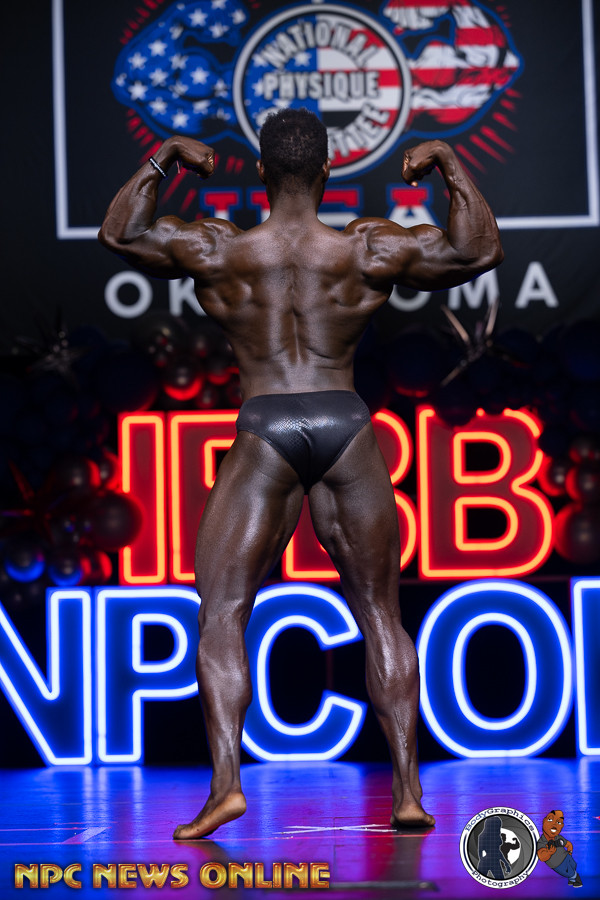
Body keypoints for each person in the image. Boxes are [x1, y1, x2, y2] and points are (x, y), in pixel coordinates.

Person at [99, 108, 503, 839]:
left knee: (223, 610)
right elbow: (478, 251)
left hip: (266, 424)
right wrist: (447, 161)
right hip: (346, 423)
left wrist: (165, 157)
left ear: (260, 171)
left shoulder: (221, 248)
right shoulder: (367, 248)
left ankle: (227, 786)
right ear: (327, 171)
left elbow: (121, 234)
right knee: (379, 611)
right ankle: (408, 792)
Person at [537, 810, 582, 887]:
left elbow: (568, 844)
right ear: (544, 821)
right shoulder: (542, 842)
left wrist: (570, 852)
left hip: (566, 856)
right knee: (570, 873)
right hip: (557, 863)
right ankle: (576, 878)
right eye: (550, 819)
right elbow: (541, 856)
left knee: (573, 865)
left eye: (559, 822)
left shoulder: (558, 837)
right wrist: (549, 853)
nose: (554, 824)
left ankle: (571, 880)